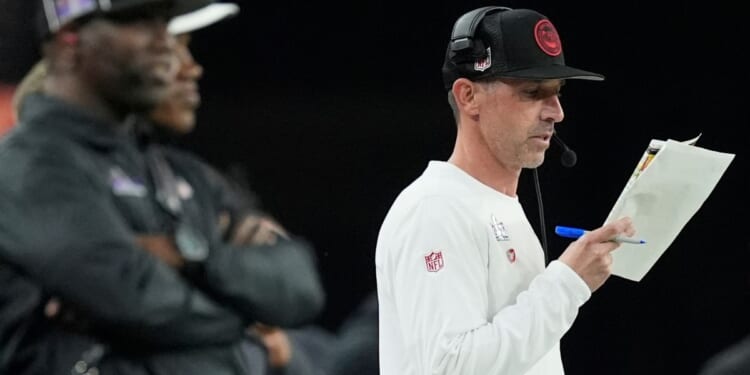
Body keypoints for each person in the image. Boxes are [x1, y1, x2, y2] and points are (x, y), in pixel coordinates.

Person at [0, 1, 325, 374]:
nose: (164, 40)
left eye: (164, 21)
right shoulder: (28, 166)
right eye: (138, 20)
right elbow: (137, 300)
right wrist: (247, 321)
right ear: (70, 40)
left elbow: (300, 288)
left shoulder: (177, 171)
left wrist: (191, 257)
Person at [374, 6, 637, 375]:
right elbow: (450, 366)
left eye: (557, 92)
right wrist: (566, 283)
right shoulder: (434, 209)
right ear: (468, 97)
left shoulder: (498, 207)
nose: (556, 112)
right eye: (533, 92)